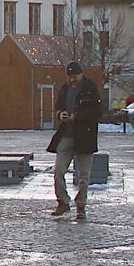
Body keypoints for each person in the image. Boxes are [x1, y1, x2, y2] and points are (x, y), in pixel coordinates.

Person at [47, 61, 102, 221]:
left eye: (75, 76)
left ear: (81, 74)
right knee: (58, 171)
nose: (72, 79)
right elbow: (58, 107)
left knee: (83, 176)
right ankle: (63, 201)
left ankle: (81, 206)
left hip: (84, 138)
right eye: (70, 76)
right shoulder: (65, 89)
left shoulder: (90, 89)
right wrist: (60, 115)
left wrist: (78, 116)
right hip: (66, 136)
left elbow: (97, 112)